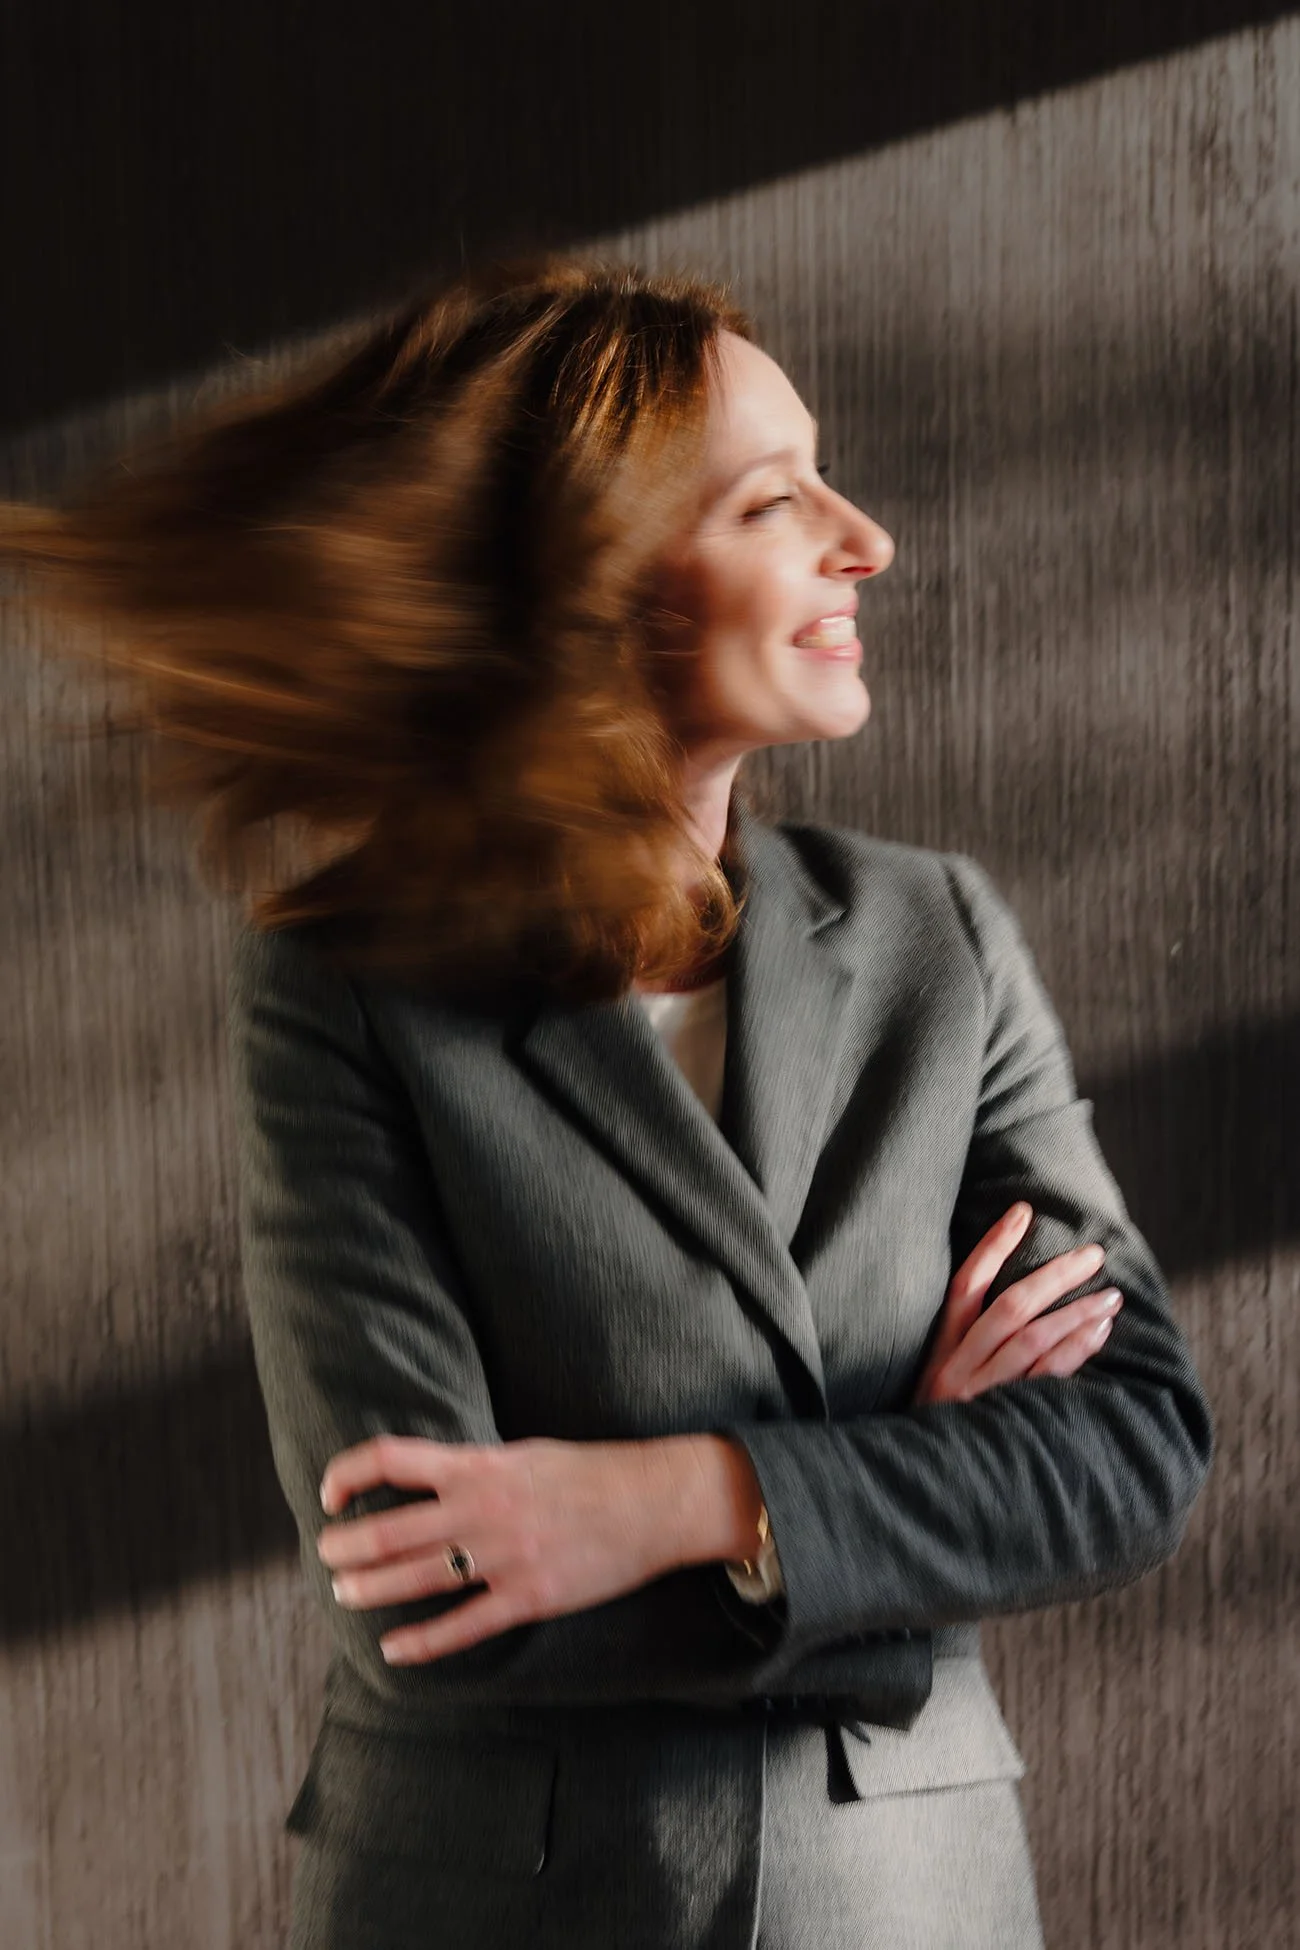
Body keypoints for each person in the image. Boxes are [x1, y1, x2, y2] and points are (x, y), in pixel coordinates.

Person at [4, 259, 1213, 1949]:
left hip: (907, 1900)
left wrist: (687, 1501)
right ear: (599, 577)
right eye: (776, 501)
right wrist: (892, 1508)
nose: (865, 539)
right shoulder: (346, 979)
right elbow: (425, 1589)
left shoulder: (938, 934)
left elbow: (1132, 1445)